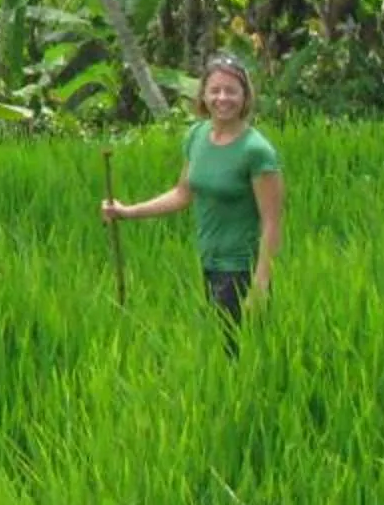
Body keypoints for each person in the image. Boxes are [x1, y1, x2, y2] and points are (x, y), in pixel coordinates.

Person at [101, 52, 282, 330]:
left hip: (241, 268)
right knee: (218, 345)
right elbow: (182, 193)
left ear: (245, 96)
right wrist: (127, 212)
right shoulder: (197, 136)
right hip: (208, 262)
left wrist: (260, 283)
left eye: (231, 91)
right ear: (204, 95)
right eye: (215, 90)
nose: (222, 98)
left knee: (236, 348)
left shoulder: (256, 151)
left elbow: (272, 223)